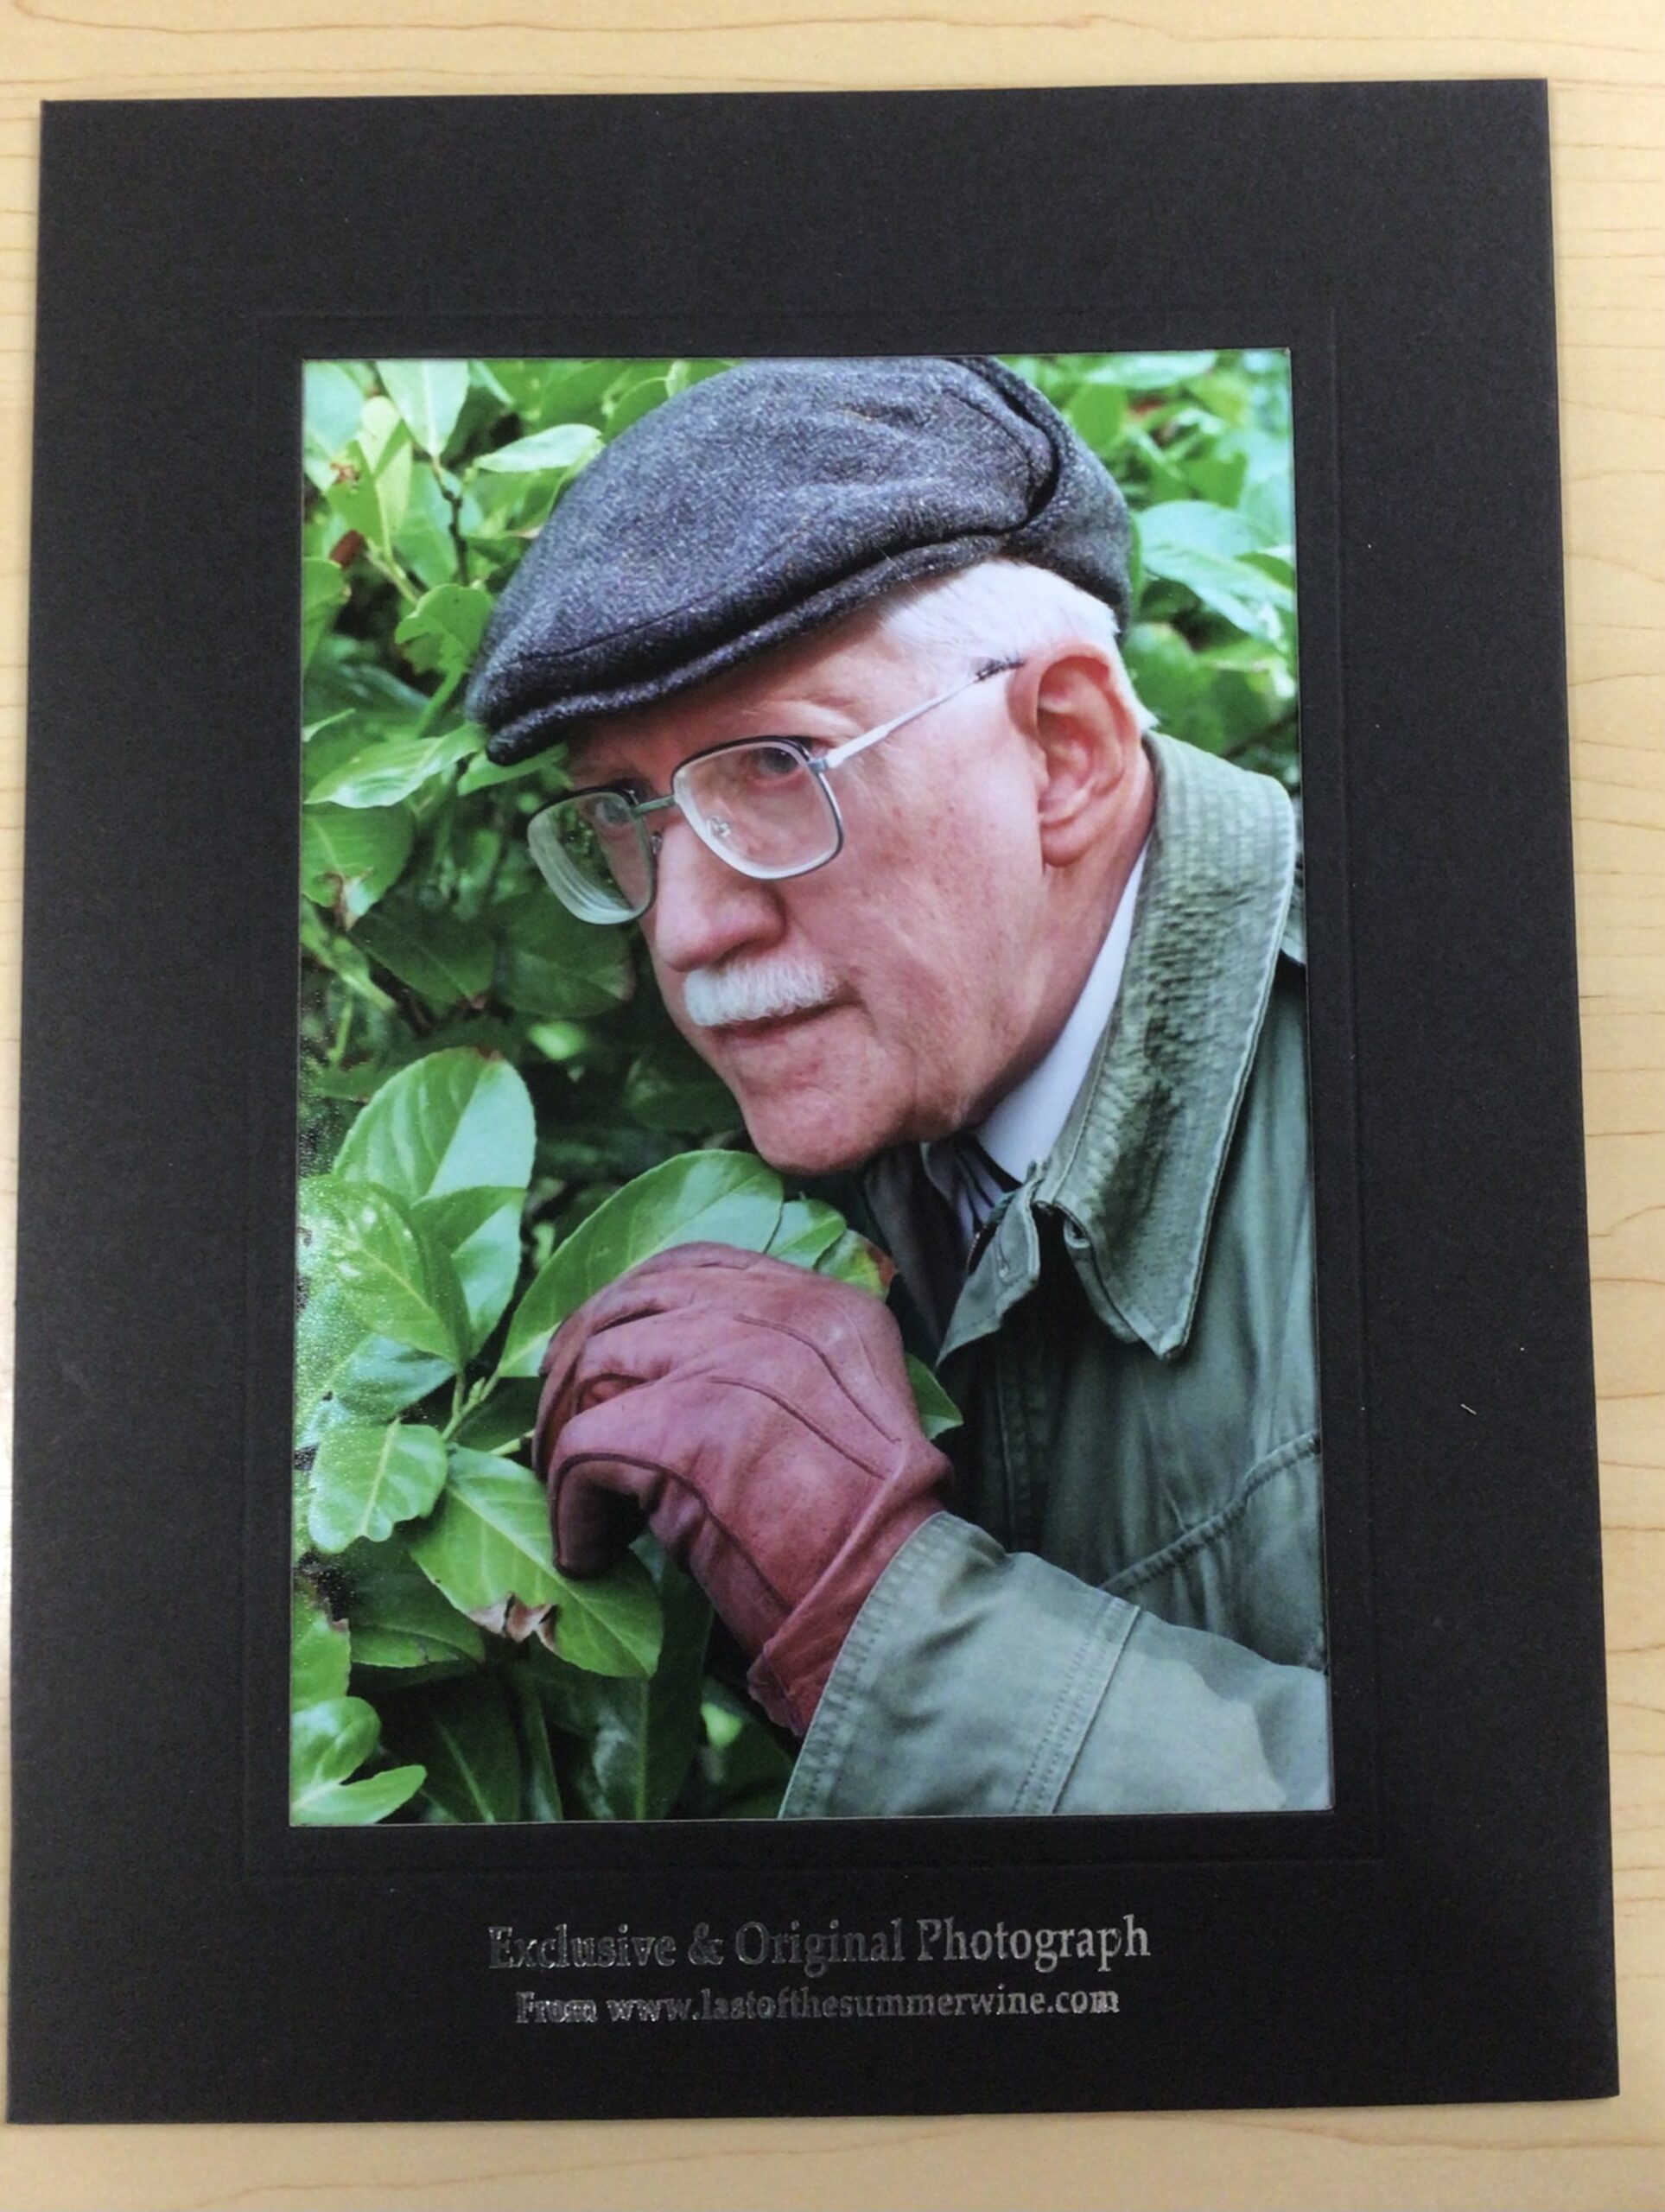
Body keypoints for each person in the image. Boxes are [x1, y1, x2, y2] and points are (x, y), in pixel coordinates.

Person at [466, 355, 1329, 1816]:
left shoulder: (1460, 1106)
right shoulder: (914, 1066)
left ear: (1065, 751)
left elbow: (1533, 1868)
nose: (686, 931)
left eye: (777, 769)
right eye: (627, 814)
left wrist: (879, 1617)